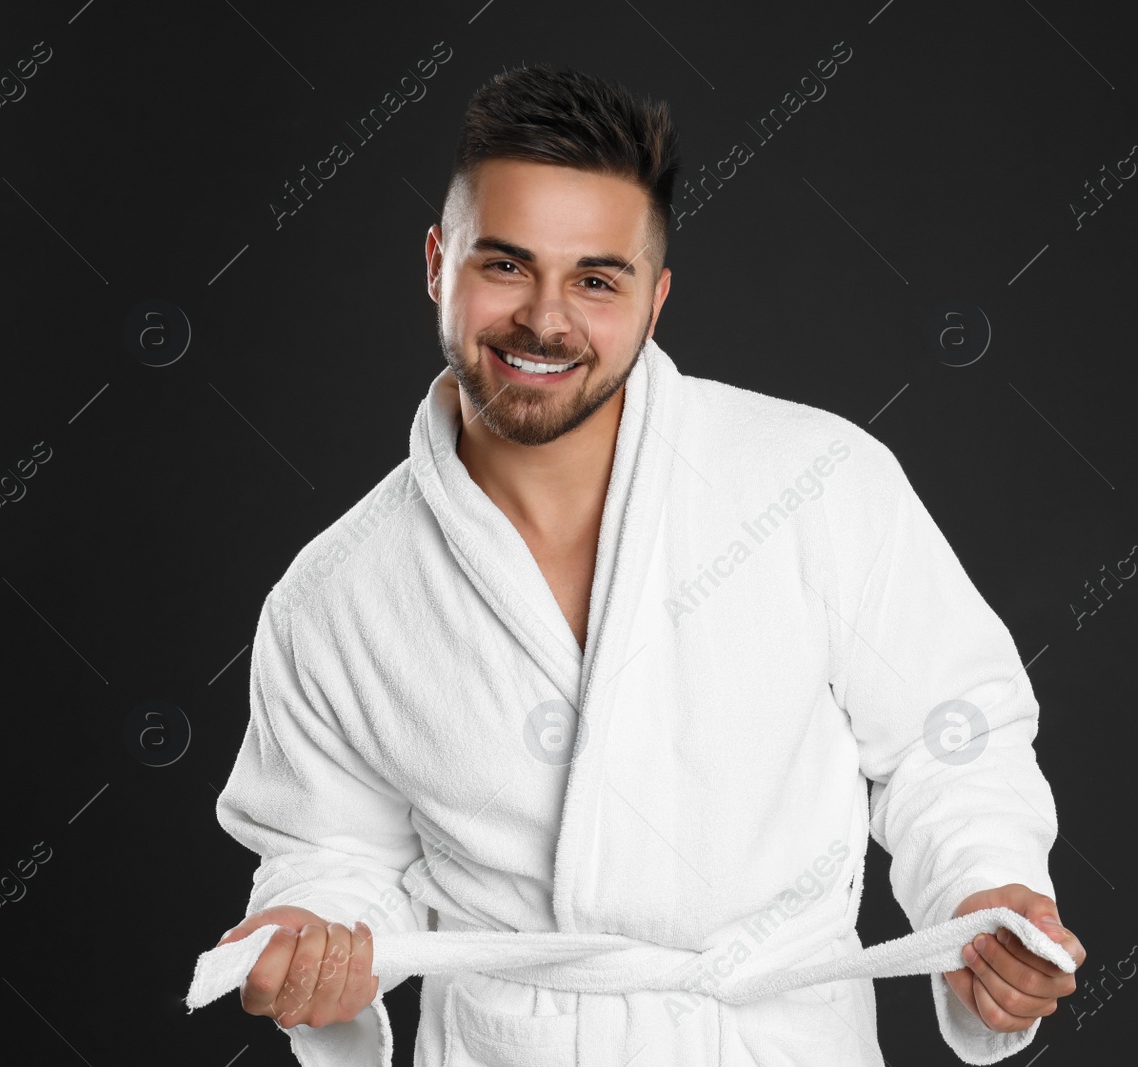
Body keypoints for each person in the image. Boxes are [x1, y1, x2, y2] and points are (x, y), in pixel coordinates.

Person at [210, 64, 1085, 1066]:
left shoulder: (818, 482)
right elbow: (333, 853)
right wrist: (307, 935)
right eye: (504, 265)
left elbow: (949, 739)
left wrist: (982, 888)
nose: (545, 319)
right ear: (434, 263)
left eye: (596, 278)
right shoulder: (335, 596)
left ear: (655, 297)